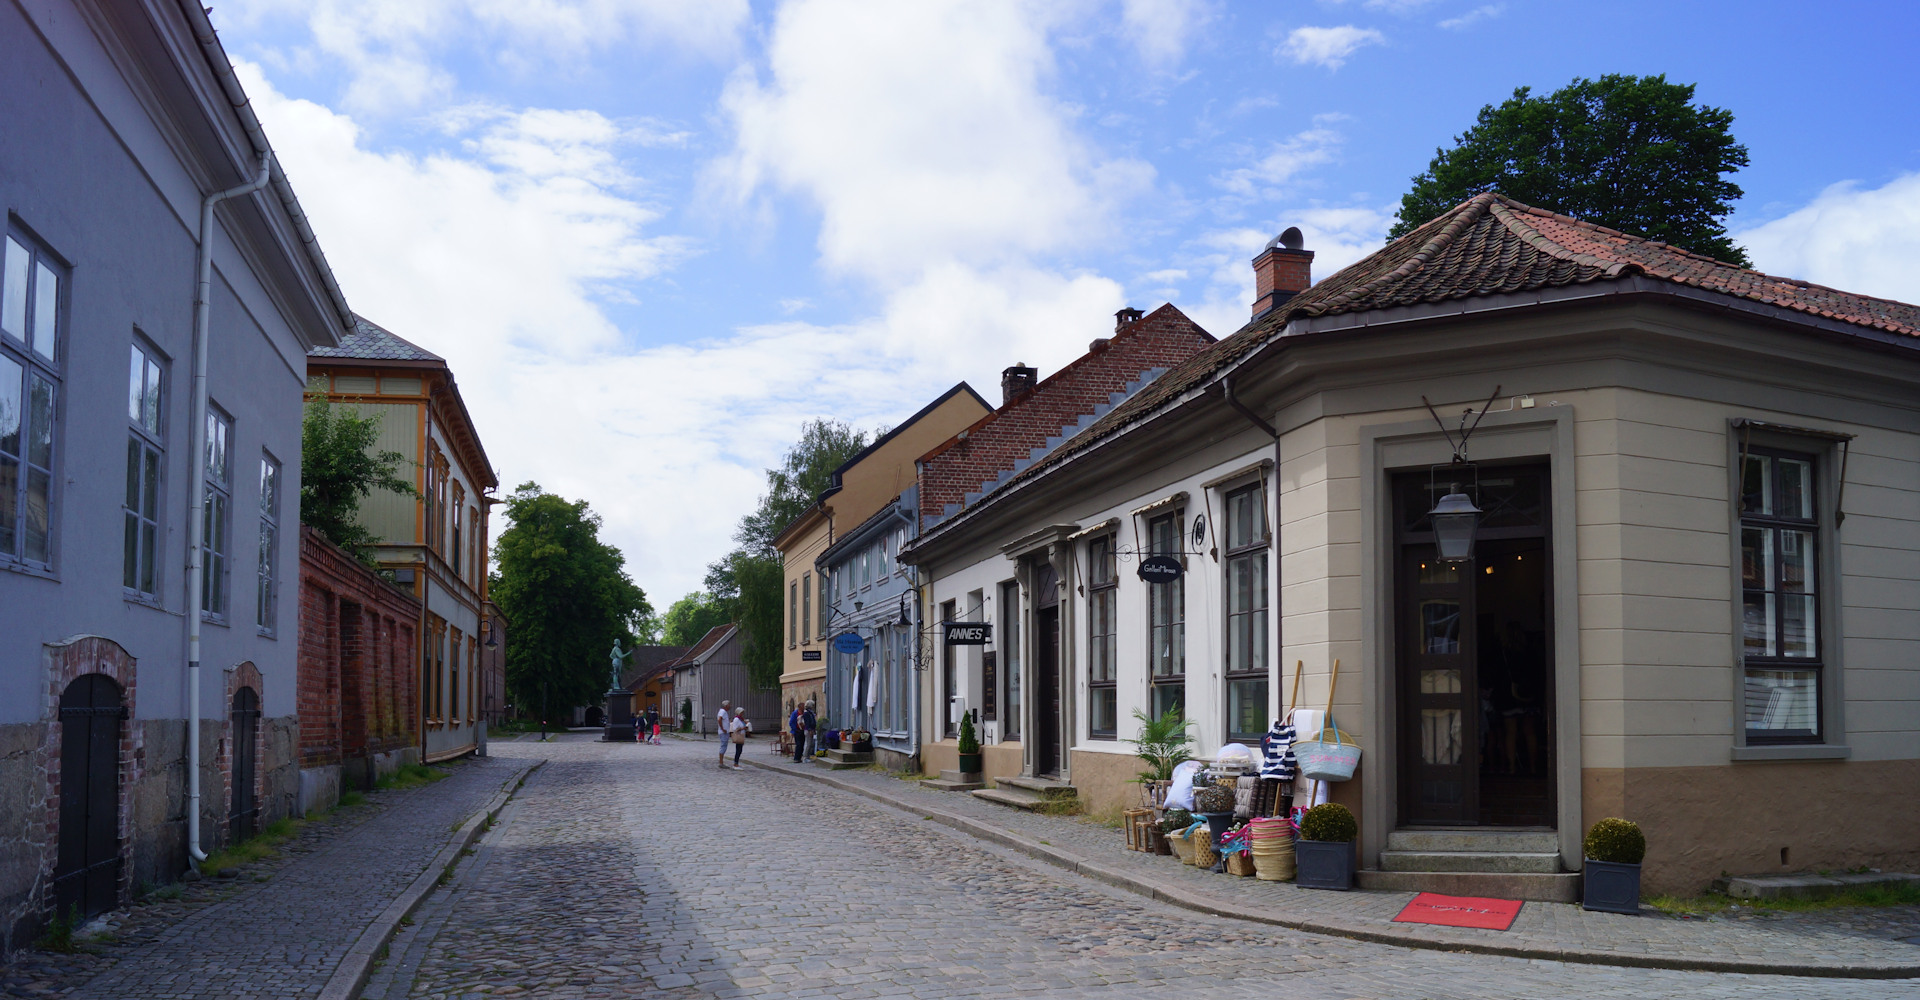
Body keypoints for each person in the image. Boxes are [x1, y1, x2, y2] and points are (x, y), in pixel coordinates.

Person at [715, 700, 733, 768]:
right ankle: (721, 762)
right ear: (726, 706)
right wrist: (723, 728)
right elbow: (719, 719)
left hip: (724, 731)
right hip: (723, 732)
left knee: (724, 746)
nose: (730, 706)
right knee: (723, 746)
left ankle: (721, 761)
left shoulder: (722, 711)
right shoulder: (723, 711)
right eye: (729, 705)